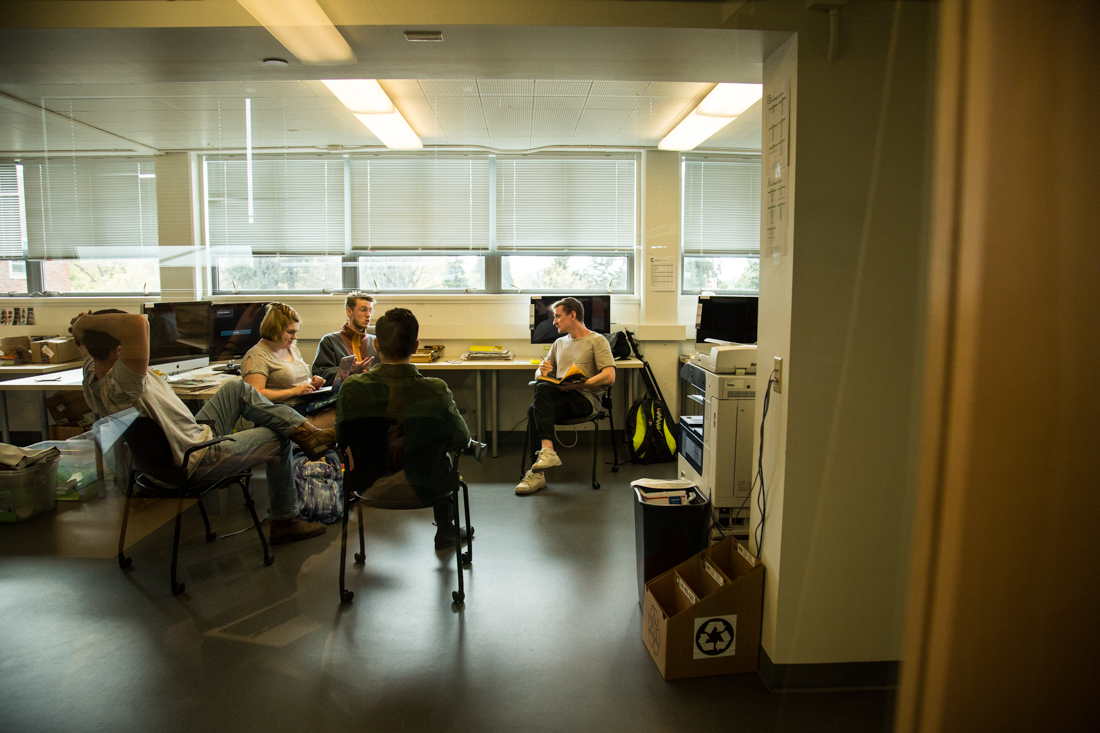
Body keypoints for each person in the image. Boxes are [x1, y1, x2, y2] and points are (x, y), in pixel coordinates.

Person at [70, 309, 334, 545]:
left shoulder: (93, 371)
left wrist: (83, 326)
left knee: (235, 388)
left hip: (191, 436)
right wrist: (86, 321)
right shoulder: (124, 383)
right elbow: (137, 323)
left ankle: (306, 432)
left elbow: (86, 342)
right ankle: (285, 521)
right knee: (280, 435)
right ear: (120, 350)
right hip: (195, 455)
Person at [336, 307, 473, 550]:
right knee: (443, 460)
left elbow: (341, 437)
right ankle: (446, 530)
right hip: (425, 486)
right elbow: (460, 439)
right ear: (416, 346)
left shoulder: (352, 388)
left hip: (368, 485)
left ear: (376, 345)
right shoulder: (435, 389)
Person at [516, 297, 616, 495]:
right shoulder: (559, 343)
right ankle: (546, 453)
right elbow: (539, 375)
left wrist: (581, 384)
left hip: (585, 399)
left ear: (572, 315)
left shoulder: (597, 341)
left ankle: (538, 471)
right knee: (541, 390)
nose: (554, 322)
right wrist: (541, 372)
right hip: (562, 396)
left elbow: (610, 376)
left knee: (533, 409)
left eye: (558, 317)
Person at [242, 303, 335, 429]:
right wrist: (293, 392)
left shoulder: (292, 348)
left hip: (306, 404)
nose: (295, 337)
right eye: (290, 332)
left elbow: (295, 380)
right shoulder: (258, 356)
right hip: (285, 413)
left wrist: (311, 384)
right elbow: (254, 396)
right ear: (275, 330)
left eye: (295, 332)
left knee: (350, 407)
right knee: (346, 419)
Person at [312, 292, 378, 387]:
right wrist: (347, 370)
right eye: (363, 310)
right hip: (342, 396)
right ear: (349, 311)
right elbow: (320, 374)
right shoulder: (330, 341)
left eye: (370, 311)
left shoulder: (376, 342)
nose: (368, 315)